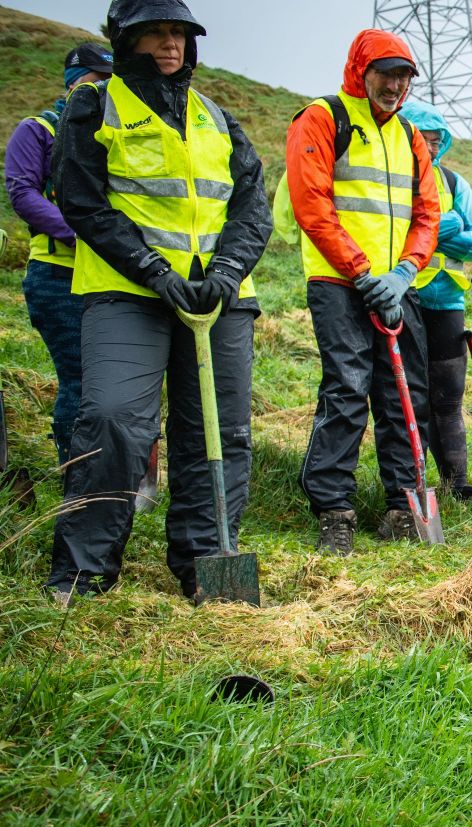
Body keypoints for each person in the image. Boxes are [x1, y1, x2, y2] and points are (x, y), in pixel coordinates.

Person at [47, 0, 270, 601]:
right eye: (155, 34)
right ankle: (83, 568)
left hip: (218, 299)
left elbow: (252, 205)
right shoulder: (95, 105)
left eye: (179, 34)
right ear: (125, 40)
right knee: (115, 419)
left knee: (218, 433)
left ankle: (206, 562)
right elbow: (82, 199)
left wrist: (226, 270)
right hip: (128, 293)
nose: (170, 45)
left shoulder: (216, 116)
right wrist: (151, 269)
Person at [286, 29, 440, 553]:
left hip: (396, 288)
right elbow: (312, 205)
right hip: (338, 281)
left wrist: (403, 274)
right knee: (349, 388)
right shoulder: (323, 118)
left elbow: (428, 214)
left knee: (404, 395)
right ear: (360, 70)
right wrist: (359, 271)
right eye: (385, 73)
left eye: (404, 76)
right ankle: (334, 506)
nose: (395, 85)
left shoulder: (411, 137)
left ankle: (403, 505)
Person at [5, 42, 112, 464]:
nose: (103, 89)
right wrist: (81, 233)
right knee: (81, 380)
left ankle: (119, 477)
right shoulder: (38, 129)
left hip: (113, 278)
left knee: (116, 384)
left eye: (111, 81)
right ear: (73, 82)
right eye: (95, 80)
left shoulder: (117, 133)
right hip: (58, 276)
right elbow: (21, 192)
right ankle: (78, 475)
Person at [400, 98, 472, 501]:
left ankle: (455, 483)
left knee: (448, 398)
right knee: (409, 396)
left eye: (437, 141)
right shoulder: (393, 178)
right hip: (403, 299)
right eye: (423, 139)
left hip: (448, 303)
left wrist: (433, 229)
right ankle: (410, 485)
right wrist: (448, 225)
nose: (431, 148)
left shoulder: (453, 182)